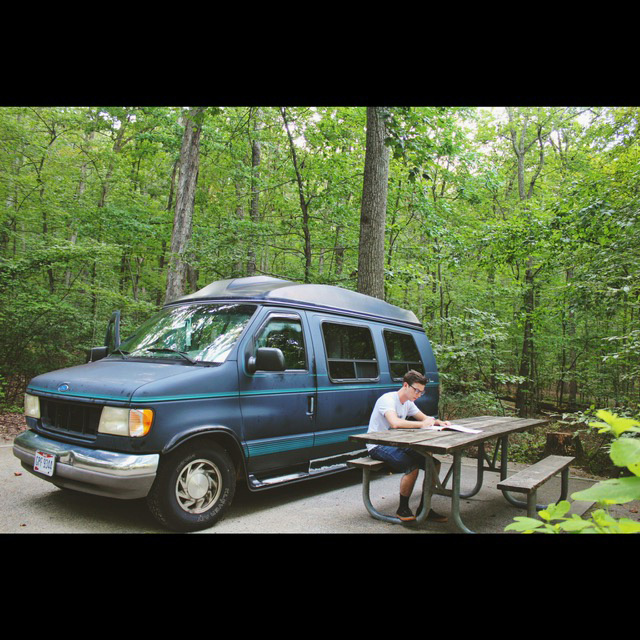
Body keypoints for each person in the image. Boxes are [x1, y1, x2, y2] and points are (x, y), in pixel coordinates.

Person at [367, 370, 450, 522]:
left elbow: (426, 418)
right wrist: (422, 424)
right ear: (406, 385)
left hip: (397, 443)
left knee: (434, 464)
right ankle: (402, 508)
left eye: (421, 392)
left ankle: (424, 508)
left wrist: (439, 422)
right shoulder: (388, 400)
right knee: (412, 467)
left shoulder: (408, 403)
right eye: (416, 390)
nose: (418, 395)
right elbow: (395, 423)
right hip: (377, 444)